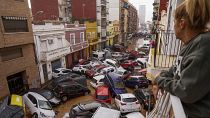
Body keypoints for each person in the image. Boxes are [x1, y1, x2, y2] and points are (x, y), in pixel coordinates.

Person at [155, 0, 210, 117]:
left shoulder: (202, 45)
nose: (173, 25)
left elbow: (186, 91)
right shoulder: (190, 44)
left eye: (174, 21)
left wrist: (160, 80)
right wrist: (162, 77)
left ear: (182, 23)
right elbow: (174, 70)